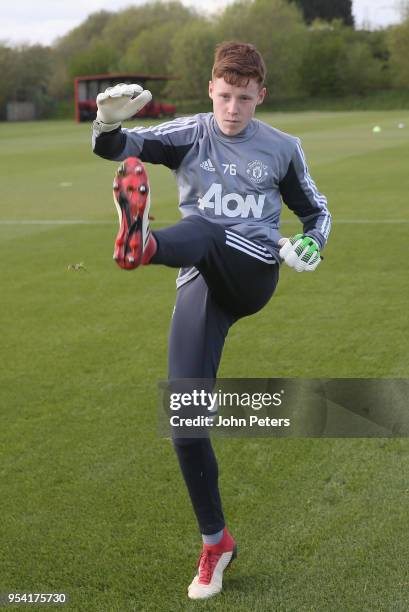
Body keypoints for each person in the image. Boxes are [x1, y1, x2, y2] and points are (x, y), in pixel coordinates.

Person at [92, 41, 331, 600]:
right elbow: (119, 149)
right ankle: (216, 541)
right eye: (224, 96)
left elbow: (315, 211)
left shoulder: (282, 148)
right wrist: (104, 123)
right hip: (199, 276)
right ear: (211, 91)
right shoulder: (192, 133)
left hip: (251, 271)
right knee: (184, 422)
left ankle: (143, 245)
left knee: (209, 228)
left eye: (244, 99)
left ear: (260, 96)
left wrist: (311, 244)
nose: (232, 109)